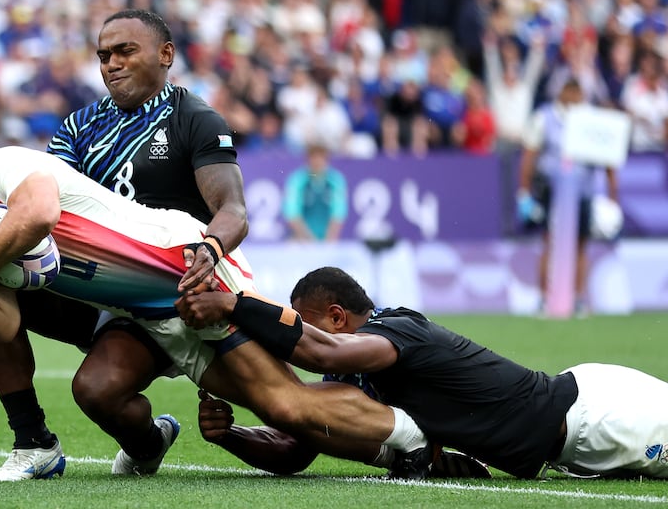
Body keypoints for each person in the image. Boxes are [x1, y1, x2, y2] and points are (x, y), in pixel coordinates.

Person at [0, 112, 439, 478]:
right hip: (148, 315)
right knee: (265, 406)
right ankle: (395, 448)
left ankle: (411, 434)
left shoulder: (15, 168)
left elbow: (39, 215)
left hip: (187, 269)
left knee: (285, 405)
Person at [0, 8, 252, 480]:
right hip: (95, 288)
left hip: (171, 292)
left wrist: (212, 248)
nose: (111, 64)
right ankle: (39, 442)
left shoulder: (196, 119)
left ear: (166, 55)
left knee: (282, 402)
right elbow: (42, 205)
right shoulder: (78, 127)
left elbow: (233, 210)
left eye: (125, 51)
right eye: (103, 55)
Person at [176, 267, 668, 479]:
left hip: (599, 414)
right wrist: (232, 438)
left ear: (337, 317)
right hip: (575, 439)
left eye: (308, 320)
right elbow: (297, 448)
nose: (305, 332)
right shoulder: (357, 376)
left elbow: (321, 353)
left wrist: (235, 305)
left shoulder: (399, 330)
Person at [517, 79, 620, 314]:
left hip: (582, 191)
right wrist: (523, 192)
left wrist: (613, 196)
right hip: (551, 191)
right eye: (571, 92)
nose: (575, 97)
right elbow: (529, 156)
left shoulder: (591, 119)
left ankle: (578, 297)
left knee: (582, 244)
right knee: (549, 241)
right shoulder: (544, 117)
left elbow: (608, 160)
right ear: (562, 93)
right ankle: (544, 297)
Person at [281, 142, 348, 242]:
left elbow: (338, 214)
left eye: (321, 158)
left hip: (327, 240)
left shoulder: (336, 180)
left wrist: (328, 241)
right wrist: (310, 241)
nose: (317, 162)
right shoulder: (297, 179)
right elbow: (292, 214)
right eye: (314, 158)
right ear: (308, 160)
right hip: (301, 240)